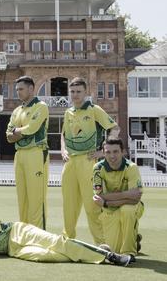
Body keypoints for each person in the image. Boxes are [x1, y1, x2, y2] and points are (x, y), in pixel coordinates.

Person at [0, 193, 131, 266]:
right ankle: (96, 251)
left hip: (18, 232)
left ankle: (110, 256)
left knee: (57, 243)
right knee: (47, 255)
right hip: (12, 250)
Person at [61, 77, 120, 244]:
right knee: (69, 204)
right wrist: (63, 149)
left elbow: (114, 128)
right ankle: (68, 239)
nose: (75, 95)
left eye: (78, 91)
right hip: (70, 162)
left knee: (91, 204)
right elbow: (63, 135)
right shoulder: (68, 112)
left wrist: (104, 152)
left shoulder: (94, 110)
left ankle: (102, 242)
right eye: (72, 92)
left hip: (89, 162)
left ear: (85, 92)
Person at [6, 76, 49, 229]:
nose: (18, 92)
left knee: (36, 198)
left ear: (31, 89)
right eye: (17, 89)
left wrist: (16, 131)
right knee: (22, 197)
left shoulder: (41, 106)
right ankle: (25, 233)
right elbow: (8, 136)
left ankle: (39, 236)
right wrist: (17, 133)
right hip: (20, 155)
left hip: (36, 153)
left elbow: (32, 129)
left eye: (21, 89)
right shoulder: (17, 110)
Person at [93, 138, 144, 259]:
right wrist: (127, 194)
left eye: (115, 151)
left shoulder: (131, 167)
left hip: (131, 206)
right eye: (108, 152)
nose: (112, 156)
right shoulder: (97, 168)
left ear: (123, 152)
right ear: (103, 153)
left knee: (127, 210)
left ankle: (129, 252)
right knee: (114, 250)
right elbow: (99, 197)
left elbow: (135, 199)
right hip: (110, 208)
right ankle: (134, 238)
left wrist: (106, 201)